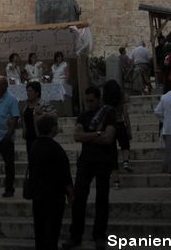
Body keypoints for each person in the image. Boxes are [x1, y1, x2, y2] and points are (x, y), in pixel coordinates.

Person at [64, 86, 117, 250]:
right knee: (79, 198)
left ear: (98, 99)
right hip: (86, 161)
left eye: (91, 101)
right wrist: (97, 134)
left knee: (102, 198)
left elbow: (109, 138)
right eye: (87, 101)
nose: (89, 104)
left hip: (103, 160)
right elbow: (76, 136)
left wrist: (88, 137)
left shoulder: (108, 113)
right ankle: (75, 236)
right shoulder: (83, 115)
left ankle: (100, 235)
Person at [30, 113, 73, 250]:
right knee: (52, 231)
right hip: (53, 196)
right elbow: (65, 174)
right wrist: (70, 194)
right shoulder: (55, 148)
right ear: (51, 128)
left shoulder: (35, 145)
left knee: (41, 231)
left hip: (38, 195)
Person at [102, 80, 132, 189]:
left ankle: (116, 182)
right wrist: (129, 128)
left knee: (112, 154)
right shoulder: (120, 99)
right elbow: (125, 114)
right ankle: (125, 162)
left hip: (109, 127)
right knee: (125, 144)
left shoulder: (104, 100)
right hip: (120, 124)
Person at [21, 81, 52, 160]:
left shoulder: (44, 104)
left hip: (41, 138)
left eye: (30, 91)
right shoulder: (26, 106)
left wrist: (42, 113)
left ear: (37, 92)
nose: (28, 93)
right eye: (27, 91)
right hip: (29, 139)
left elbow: (51, 118)